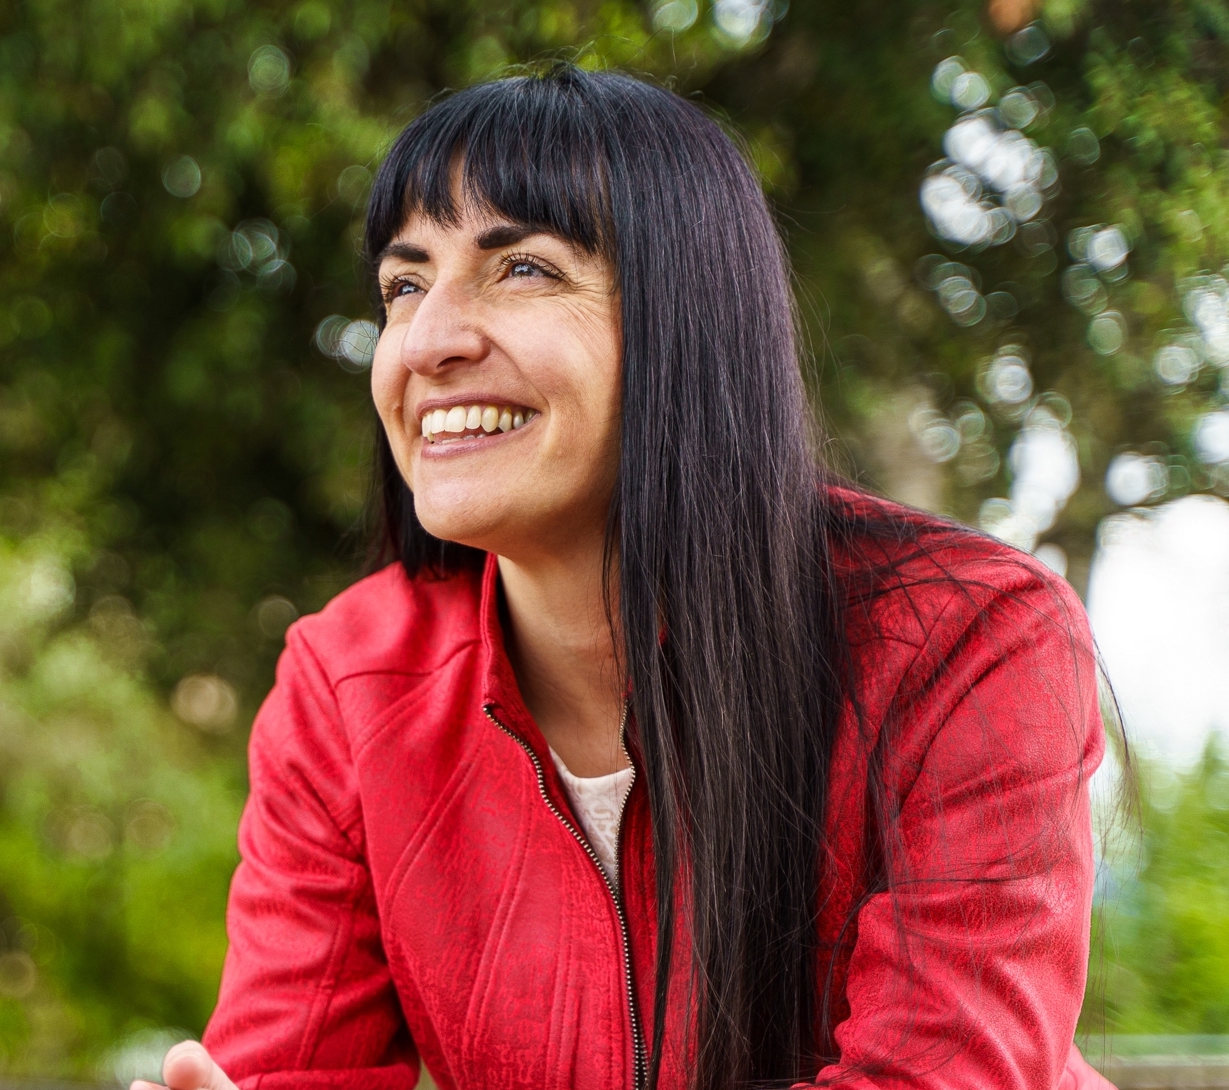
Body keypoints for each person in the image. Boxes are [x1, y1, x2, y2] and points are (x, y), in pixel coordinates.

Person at [133, 67, 1114, 1090]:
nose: (426, 342)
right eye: (403, 286)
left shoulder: (965, 639)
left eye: (523, 269)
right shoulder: (348, 684)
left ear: (689, 320)